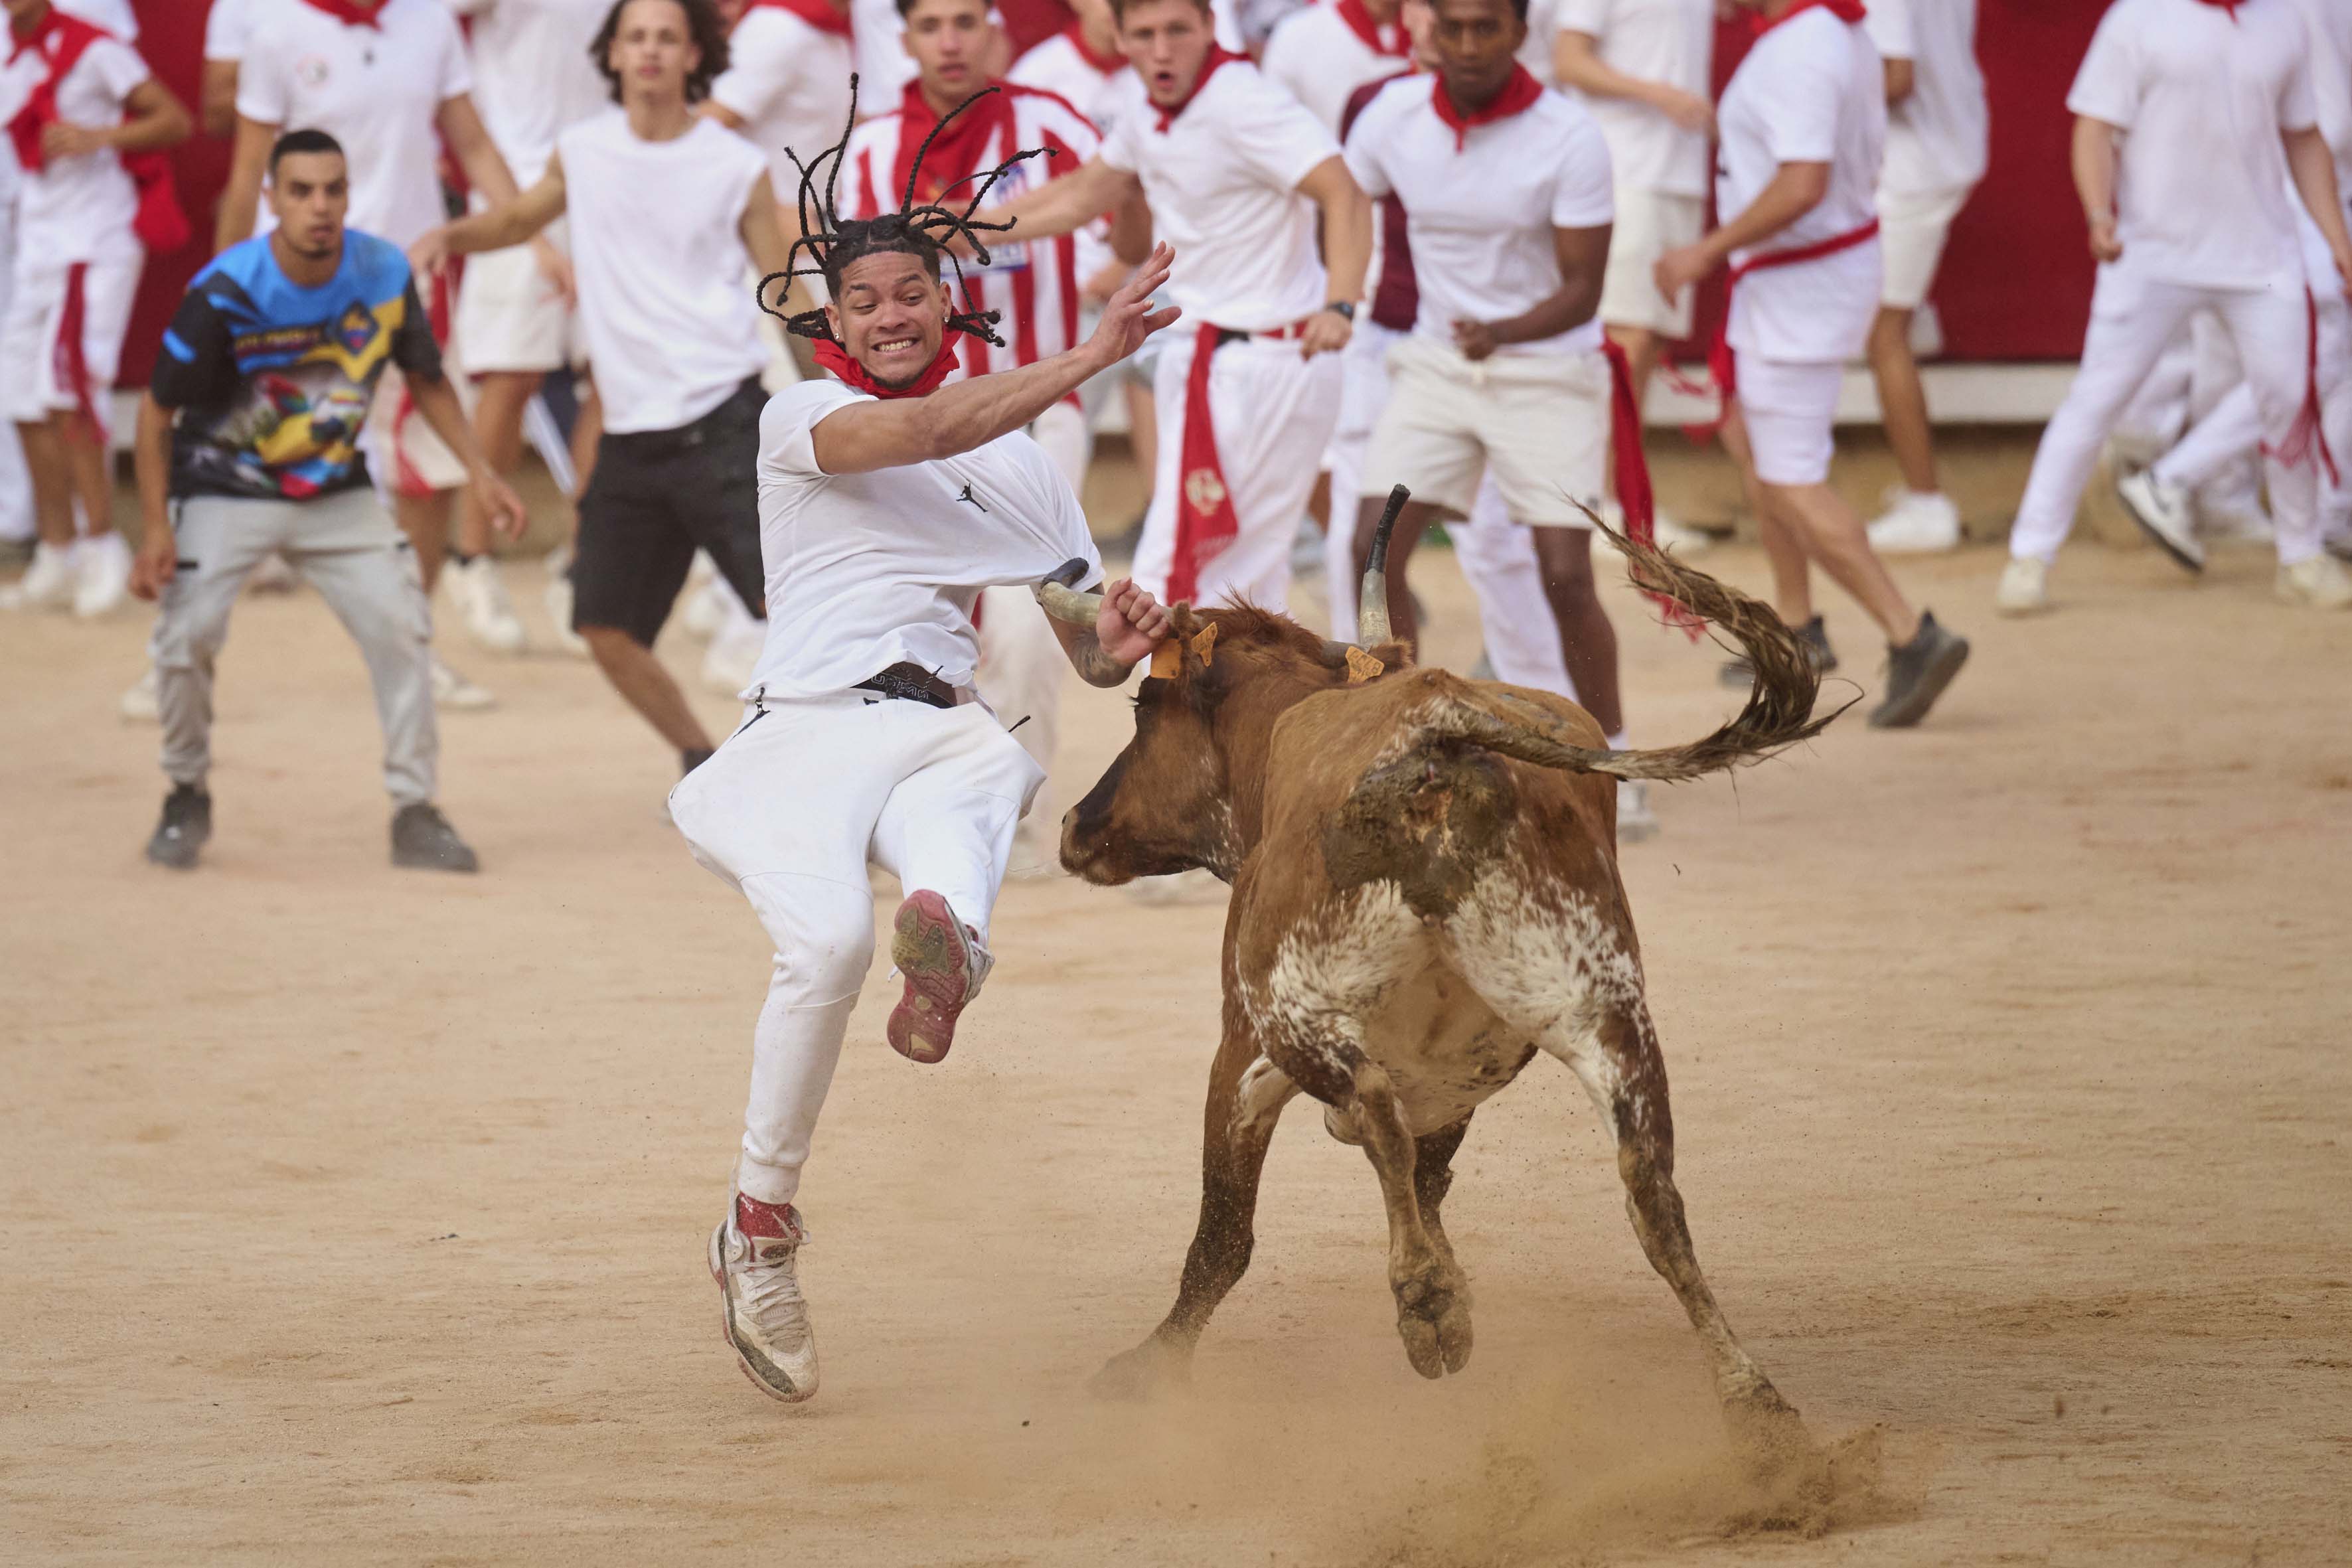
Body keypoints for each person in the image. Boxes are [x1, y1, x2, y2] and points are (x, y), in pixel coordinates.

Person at [666, 119, 1182, 1402]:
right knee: (831, 945)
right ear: (832, 320)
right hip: (804, 729)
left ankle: (948, 939)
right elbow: (924, 434)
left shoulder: (1025, 473)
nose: (889, 314)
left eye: (911, 292)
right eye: (864, 299)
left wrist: (1113, 640)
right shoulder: (808, 415)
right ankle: (757, 1227)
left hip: (931, 720)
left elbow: (1085, 652)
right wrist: (1088, 356)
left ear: (948, 301)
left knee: (985, 765)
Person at [413, 0, 793, 773]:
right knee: (605, 626)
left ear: (694, 56)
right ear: (612, 55)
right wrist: (451, 235)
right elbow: (518, 220)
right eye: (636, 37)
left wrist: (850, 390)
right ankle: (703, 762)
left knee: (796, 619)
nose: (650, 51)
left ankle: (827, 778)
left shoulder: (735, 165)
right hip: (630, 437)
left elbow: (786, 296)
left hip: (724, 422)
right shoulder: (582, 150)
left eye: (666, 38)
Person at [127, 129, 523, 872]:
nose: (320, 207)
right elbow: (154, 416)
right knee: (186, 639)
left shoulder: (382, 271)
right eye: (301, 191)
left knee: (403, 626)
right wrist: (155, 528)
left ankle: (416, 809)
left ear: (348, 195)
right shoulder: (225, 291)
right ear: (271, 199)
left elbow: (427, 378)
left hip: (335, 490)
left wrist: (481, 472)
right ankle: (185, 792)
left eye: (333, 190)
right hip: (223, 488)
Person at [1345, 0, 1670, 837]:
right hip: (1435, 364)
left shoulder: (1569, 136)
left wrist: (1505, 331)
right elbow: (1339, 197)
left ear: (1521, 32)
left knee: (1564, 573)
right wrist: (1338, 299)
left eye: (1485, 26)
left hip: (1545, 369)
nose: (1465, 44)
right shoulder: (1392, 119)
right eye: (1450, 26)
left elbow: (1584, 291)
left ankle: (1616, 760)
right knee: (1370, 553)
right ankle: (1411, 744)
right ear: (1429, 31)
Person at [840, 0, 1140, 870]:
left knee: (1017, 623)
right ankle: (888, 804)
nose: (948, 39)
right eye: (930, 22)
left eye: (965, 19)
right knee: (895, 620)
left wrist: (1121, 241)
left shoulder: (1050, 123)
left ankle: (1006, 821)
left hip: (1038, 417)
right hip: (911, 429)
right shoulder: (865, 154)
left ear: (992, 31)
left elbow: (1124, 205)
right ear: (904, 38)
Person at [975, 0, 1370, 612]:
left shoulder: (1245, 102)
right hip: (1208, 355)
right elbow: (1081, 197)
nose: (1162, 50)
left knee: (1187, 568)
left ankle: (1185, 697)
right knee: (1231, 570)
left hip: (1266, 354)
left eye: (1177, 30)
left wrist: (1340, 305)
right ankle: (1236, 700)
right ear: (1120, 35)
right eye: (1145, 34)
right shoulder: (1146, 109)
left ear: (1210, 27)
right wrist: (961, 225)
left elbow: (1342, 191)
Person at [1655, 0, 1968, 729]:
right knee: (1749, 442)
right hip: (1803, 279)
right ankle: (1796, 627)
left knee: (1791, 478)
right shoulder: (1835, 32)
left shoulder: (1803, 47)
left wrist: (1705, 250)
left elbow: (1802, 184)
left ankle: (1910, 633)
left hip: (1800, 286)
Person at [217, 0, 526, 712]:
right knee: (246, 469)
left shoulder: (431, 22)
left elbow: (473, 145)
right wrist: (221, 297)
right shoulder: (277, 33)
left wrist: (525, 234)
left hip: (409, 279)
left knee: (430, 470)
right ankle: (178, 650)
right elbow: (246, 174)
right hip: (301, 287)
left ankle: (410, 648)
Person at [1999, 0, 2352, 615]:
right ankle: (2028, 558)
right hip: (2149, 254)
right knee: (2096, 398)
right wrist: (2099, 214)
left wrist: (2337, 243)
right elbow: (2092, 126)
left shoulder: (2283, 21)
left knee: (2287, 396)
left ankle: (2299, 559)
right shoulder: (2136, 18)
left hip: (2261, 257)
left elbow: (2302, 137)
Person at [0, 0, 190, 619]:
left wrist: (100, 136)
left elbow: (174, 119)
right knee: (20, 398)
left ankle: (104, 543)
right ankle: (57, 551)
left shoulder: (94, 46)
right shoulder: (9, 51)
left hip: (96, 240)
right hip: (38, 240)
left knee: (72, 391)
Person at [443, 0, 613, 658]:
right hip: (514, 184)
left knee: (611, 381)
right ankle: (470, 560)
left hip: (604, 186)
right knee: (511, 378)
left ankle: (577, 565)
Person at [1855, 0, 1986, 554]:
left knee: (1882, 332)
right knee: (1891, 322)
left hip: (1913, 165)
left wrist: (1810, 96)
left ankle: (1926, 501)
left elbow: (1896, 77)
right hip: (1944, 146)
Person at [1551, 0, 1712, 430]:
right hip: (1623, 171)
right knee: (1624, 341)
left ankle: (1619, 488)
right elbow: (1568, 60)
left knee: (1647, 342)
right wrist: (1658, 94)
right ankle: (1601, 494)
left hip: (1678, 175)